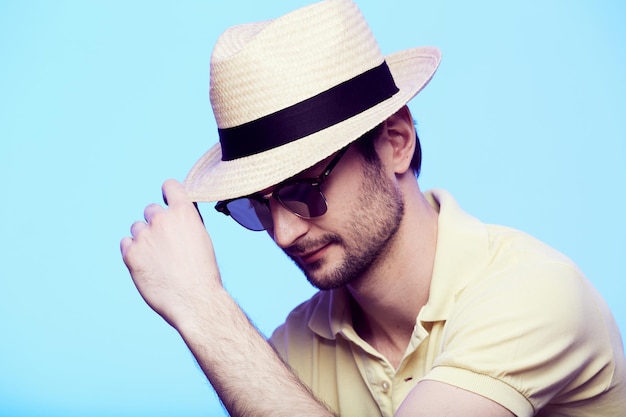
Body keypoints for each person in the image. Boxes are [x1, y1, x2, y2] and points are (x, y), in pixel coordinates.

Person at [120, 0, 626, 416]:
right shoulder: (295, 350)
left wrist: (204, 308)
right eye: (257, 207)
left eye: (303, 190)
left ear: (396, 141)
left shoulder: (532, 293)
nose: (283, 234)